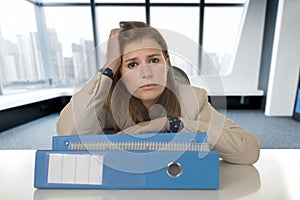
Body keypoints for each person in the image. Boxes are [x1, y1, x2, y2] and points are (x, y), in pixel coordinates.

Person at [56, 21, 260, 165]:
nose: (146, 72)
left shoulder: (191, 99)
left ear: (167, 63)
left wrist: (172, 123)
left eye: (153, 60)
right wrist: (108, 67)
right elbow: (70, 138)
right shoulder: (105, 102)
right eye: (132, 64)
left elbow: (248, 151)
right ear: (120, 72)